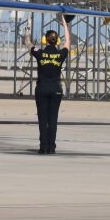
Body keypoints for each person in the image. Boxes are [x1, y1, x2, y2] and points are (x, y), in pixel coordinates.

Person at [29, 16, 72, 154]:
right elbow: (68, 43)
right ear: (57, 40)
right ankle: (51, 147)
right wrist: (65, 24)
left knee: (42, 119)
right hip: (56, 89)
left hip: (42, 88)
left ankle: (43, 147)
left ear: (44, 40)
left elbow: (27, 43)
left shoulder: (40, 53)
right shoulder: (60, 54)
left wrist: (28, 27)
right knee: (53, 119)